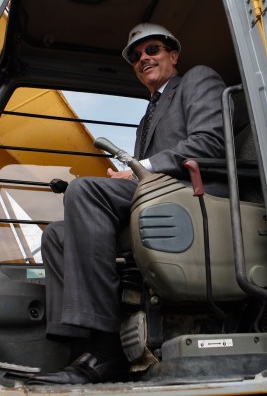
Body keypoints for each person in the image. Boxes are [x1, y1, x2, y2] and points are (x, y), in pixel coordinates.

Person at [30, 23, 226, 384]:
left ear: (173, 55)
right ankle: (80, 351)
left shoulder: (198, 80)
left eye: (151, 50)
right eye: (136, 57)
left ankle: (106, 352)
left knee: (84, 192)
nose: (143, 58)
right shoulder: (147, 116)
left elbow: (209, 144)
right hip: (155, 193)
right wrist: (131, 176)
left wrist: (140, 169)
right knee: (57, 235)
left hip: (191, 194)